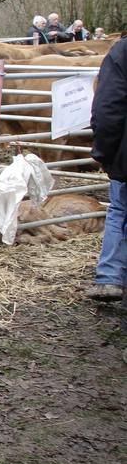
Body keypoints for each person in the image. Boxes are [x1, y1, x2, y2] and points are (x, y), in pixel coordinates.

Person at [89, 39, 127, 302]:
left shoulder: (122, 52)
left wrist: (104, 153)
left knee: (119, 210)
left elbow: (107, 110)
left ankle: (110, 277)